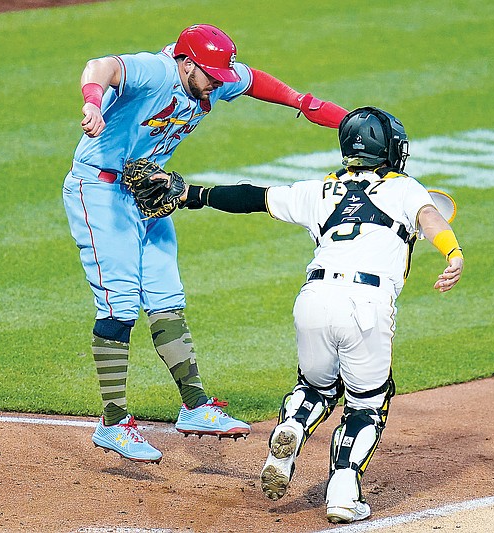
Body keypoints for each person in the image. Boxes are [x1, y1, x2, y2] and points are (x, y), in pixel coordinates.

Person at [62, 23, 348, 464]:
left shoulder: (210, 78)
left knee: (165, 298)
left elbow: (255, 82)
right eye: (211, 75)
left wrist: (303, 103)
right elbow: (99, 66)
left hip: (146, 191)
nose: (218, 84)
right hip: (98, 190)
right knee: (119, 305)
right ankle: (113, 424)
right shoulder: (156, 72)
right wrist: (93, 103)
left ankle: (194, 407)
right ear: (186, 63)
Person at [173, 107, 464, 522]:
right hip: (365, 303)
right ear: (390, 149)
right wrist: (452, 252)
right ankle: (344, 492)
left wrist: (192, 195)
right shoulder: (406, 189)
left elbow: (252, 197)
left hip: (313, 296)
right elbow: (431, 216)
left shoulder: (320, 189)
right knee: (367, 403)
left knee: (315, 387)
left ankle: (291, 427)